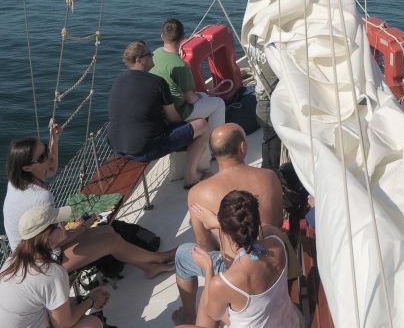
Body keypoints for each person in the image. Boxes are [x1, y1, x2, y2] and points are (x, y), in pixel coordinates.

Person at [3, 132, 176, 276]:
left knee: (109, 230)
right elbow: (56, 242)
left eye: (46, 149)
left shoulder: (18, 181)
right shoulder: (40, 198)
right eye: (42, 157)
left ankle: (150, 266)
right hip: (40, 264)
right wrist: (84, 227)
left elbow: (51, 168)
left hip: (35, 250)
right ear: (27, 167)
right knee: (111, 242)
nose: (48, 156)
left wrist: (54, 141)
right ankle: (158, 259)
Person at [173, 124, 283, 325]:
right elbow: (276, 222)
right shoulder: (269, 177)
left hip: (234, 265)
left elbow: (205, 246)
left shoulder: (198, 193)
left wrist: (217, 232)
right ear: (243, 147)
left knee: (182, 255)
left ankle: (188, 313)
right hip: (270, 252)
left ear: (213, 153)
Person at [0, 204, 110, 328]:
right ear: (47, 237)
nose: (63, 224)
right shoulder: (51, 273)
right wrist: (92, 300)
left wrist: (83, 300)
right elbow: (63, 324)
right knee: (93, 324)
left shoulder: (12, 260)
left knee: (71, 305)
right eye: (59, 224)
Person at [179, 190, 300, 328]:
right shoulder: (275, 238)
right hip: (289, 322)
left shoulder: (224, 282)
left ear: (226, 230)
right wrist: (223, 225)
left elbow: (214, 314)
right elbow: (260, 231)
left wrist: (208, 269)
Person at [107, 40, 210, 188]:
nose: (153, 55)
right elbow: (174, 119)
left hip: (116, 146)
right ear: (139, 60)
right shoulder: (157, 83)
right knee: (201, 125)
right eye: (149, 54)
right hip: (144, 150)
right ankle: (191, 176)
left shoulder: (119, 80)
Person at [151, 18, 226, 172]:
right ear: (183, 38)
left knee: (205, 99)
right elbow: (190, 98)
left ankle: (210, 146)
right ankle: (216, 149)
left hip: (161, 109)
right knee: (218, 103)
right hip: (179, 111)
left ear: (162, 37)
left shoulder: (155, 54)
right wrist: (199, 97)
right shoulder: (180, 66)